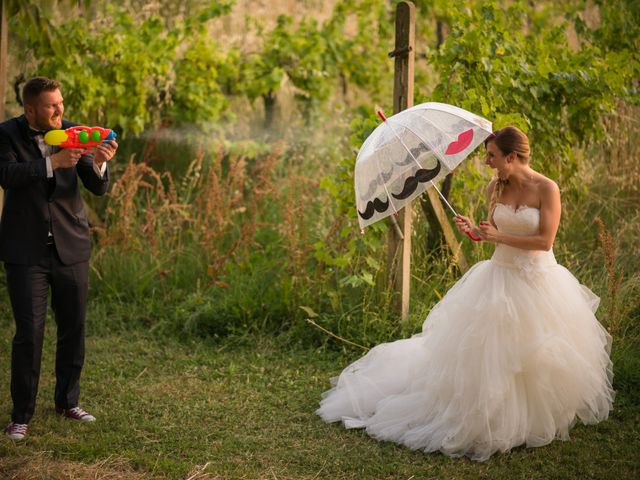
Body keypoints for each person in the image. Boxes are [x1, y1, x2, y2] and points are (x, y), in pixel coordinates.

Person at [316, 126, 614, 461]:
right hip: (498, 277)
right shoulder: (494, 187)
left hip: (538, 281)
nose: (487, 162)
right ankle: (489, 417)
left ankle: (534, 417)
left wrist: (495, 237)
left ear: (512, 156)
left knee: (533, 355)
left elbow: (545, 241)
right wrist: (474, 232)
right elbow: (490, 234)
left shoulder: (547, 188)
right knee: (489, 356)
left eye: (492, 156)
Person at [0, 77, 117, 440]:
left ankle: (67, 402)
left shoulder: (74, 133)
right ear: (31, 109)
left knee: (73, 327)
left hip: (72, 246)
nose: (61, 111)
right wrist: (53, 164)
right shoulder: (5, 134)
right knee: (29, 334)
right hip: (25, 251)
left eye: (61, 103)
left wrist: (97, 163)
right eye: (53, 106)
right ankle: (21, 416)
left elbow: (97, 187)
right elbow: (6, 175)